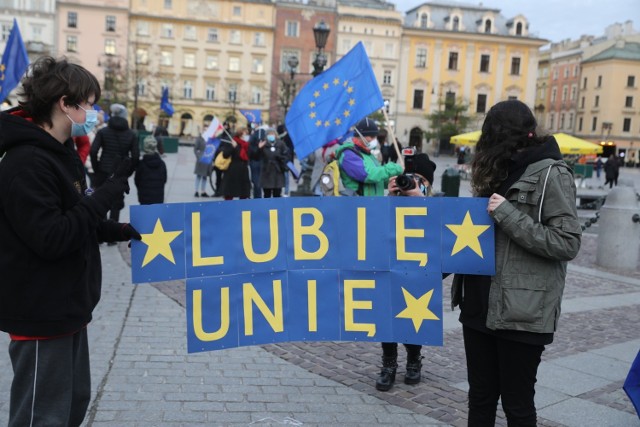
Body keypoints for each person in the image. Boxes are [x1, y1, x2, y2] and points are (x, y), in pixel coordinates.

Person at [0, 56, 141, 427]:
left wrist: (121, 231)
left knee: (72, 404)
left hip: (68, 307)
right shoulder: (26, 162)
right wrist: (107, 193)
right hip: (40, 310)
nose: (93, 113)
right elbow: (52, 237)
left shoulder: (61, 154)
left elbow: (77, 218)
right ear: (66, 103)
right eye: (89, 104)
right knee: (42, 415)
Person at [451, 100, 581, 426]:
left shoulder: (552, 172)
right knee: (480, 398)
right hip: (479, 305)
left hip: (522, 312)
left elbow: (567, 242)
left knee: (517, 405)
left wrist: (508, 215)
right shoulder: (498, 169)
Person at [376, 152, 437, 392]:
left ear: (427, 185)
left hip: (418, 269)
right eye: (408, 179)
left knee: (415, 314)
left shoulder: (434, 203)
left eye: (419, 180)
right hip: (390, 265)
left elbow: (439, 235)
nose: (410, 184)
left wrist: (420, 201)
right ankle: (388, 362)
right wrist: (390, 198)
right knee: (386, 312)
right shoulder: (393, 200)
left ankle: (414, 359)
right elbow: (373, 228)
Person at [90, 102, 139, 222]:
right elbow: (136, 156)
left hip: (103, 170)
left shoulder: (103, 132)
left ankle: (101, 231)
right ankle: (112, 232)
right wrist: (128, 172)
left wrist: (97, 168)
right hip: (120, 172)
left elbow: (93, 151)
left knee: (100, 199)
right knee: (116, 202)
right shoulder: (131, 134)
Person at [337, 118, 403, 196]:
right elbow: (368, 175)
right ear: (360, 135)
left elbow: (378, 178)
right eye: (371, 136)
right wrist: (395, 168)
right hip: (358, 204)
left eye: (375, 137)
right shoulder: (348, 154)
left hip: (373, 203)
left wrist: (393, 180)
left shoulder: (368, 154)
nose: (374, 140)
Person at [219, 127, 251, 200]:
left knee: (244, 193)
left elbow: (247, 156)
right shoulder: (233, 142)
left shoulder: (246, 145)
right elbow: (225, 155)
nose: (246, 136)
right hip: (233, 170)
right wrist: (232, 147)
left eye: (247, 134)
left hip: (243, 170)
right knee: (230, 192)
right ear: (240, 134)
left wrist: (236, 147)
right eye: (245, 134)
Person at [257, 127, 289, 198]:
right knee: (267, 194)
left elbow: (286, 155)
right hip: (266, 172)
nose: (271, 135)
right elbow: (256, 156)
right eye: (269, 134)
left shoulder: (281, 144)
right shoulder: (263, 144)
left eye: (272, 134)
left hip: (278, 171)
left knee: (277, 193)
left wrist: (280, 157)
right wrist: (259, 148)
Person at [135, 135, 167, 205]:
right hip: (158, 198)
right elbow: (164, 180)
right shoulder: (162, 164)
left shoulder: (141, 164)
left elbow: (137, 181)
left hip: (144, 198)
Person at [248, 124, 266, 198]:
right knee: (257, 181)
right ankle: (258, 196)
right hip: (259, 160)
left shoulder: (256, 135)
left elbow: (252, 150)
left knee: (256, 181)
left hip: (255, 160)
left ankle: (257, 197)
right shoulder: (262, 134)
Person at [278, 124, 295, 196]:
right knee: (285, 175)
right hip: (285, 158)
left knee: (286, 175)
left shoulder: (286, 137)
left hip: (286, 158)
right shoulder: (282, 137)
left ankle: (286, 191)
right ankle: (285, 191)